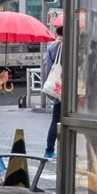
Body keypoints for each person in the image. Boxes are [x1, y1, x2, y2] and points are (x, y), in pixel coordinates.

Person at [43, 24, 63, 159]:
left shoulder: (52, 47)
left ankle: (49, 150)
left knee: (55, 120)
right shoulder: (70, 45)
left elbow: (48, 67)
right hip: (68, 90)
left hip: (57, 88)